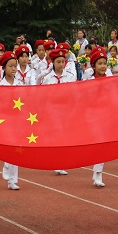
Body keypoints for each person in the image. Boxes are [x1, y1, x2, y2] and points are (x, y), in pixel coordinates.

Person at [40, 47, 75, 175]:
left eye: (63, 61)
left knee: (64, 136)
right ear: (53, 62)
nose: (61, 64)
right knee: (56, 135)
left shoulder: (70, 76)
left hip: (65, 109)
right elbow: (43, 94)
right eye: (58, 62)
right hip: (52, 109)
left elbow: (73, 93)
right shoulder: (48, 78)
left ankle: (60, 162)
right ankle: (57, 162)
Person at [86, 47, 112, 187]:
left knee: (103, 144)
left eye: (104, 63)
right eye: (100, 63)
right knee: (98, 144)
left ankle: (98, 173)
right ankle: (97, 172)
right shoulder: (89, 80)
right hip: (92, 116)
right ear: (94, 66)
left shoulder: (112, 81)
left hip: (106, 116)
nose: (103, 66)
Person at [0, 52, 23, 190]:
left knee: (16, 148)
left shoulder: (20, 84)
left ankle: (13, 180)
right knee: (8, 146)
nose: (13, 69)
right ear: (4, 68)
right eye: (10, 66)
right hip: (5, 119)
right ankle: (6, 163)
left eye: (15, 66)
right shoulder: (0, 85)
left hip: (17, 120)